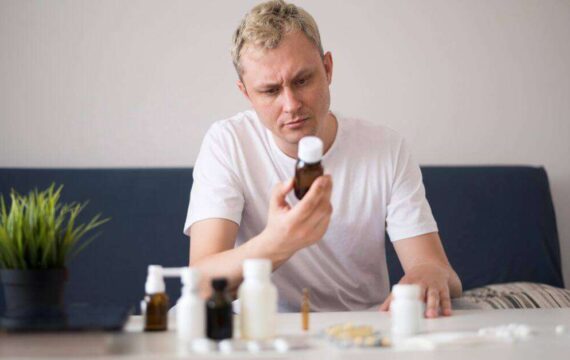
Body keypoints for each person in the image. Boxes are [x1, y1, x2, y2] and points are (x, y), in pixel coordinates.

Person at [184, 0, 462, 317]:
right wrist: (279, 241)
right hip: (264, 332)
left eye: (302, 81)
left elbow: (439, 271)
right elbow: (200, 284)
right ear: (246, 93)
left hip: (361, 330)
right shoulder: (228, 143)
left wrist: (430, 275)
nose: (290, 105)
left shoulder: (385, 147)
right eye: (270, 91)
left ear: (327, 69)